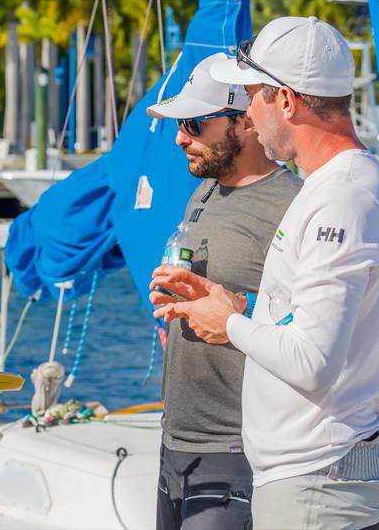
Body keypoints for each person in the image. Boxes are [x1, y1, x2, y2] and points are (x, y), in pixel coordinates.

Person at [150, 17, 379, 530]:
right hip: (314, 473)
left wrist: (228, 324)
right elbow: (314, 324)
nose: (249, 111)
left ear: (285, 101)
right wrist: (235, 306)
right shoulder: (349, 185)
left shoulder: (340, 199)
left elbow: (313, 361)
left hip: (314, 481)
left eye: (253, 96)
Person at [146, 53, 302, 530]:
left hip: (235, 448)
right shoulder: (206, 191)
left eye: (193, 124)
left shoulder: (293, 204)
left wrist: (236, 313)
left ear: (245, 121)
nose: (180, 138)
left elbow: (311, 328)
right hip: (176, 443)